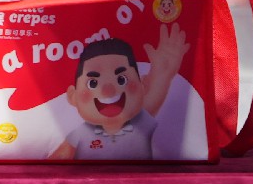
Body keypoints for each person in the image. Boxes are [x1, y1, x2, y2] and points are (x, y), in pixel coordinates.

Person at [48, 26, 191, 161]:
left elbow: (155, 94)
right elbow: (58, 159)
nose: (108, 91)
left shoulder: (140, 121)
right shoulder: (81, 133)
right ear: (73, 96)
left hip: (139, 178)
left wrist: (163, 72)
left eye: (121, 79)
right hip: (90, 179)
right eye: (93, 83)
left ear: (142, 86)